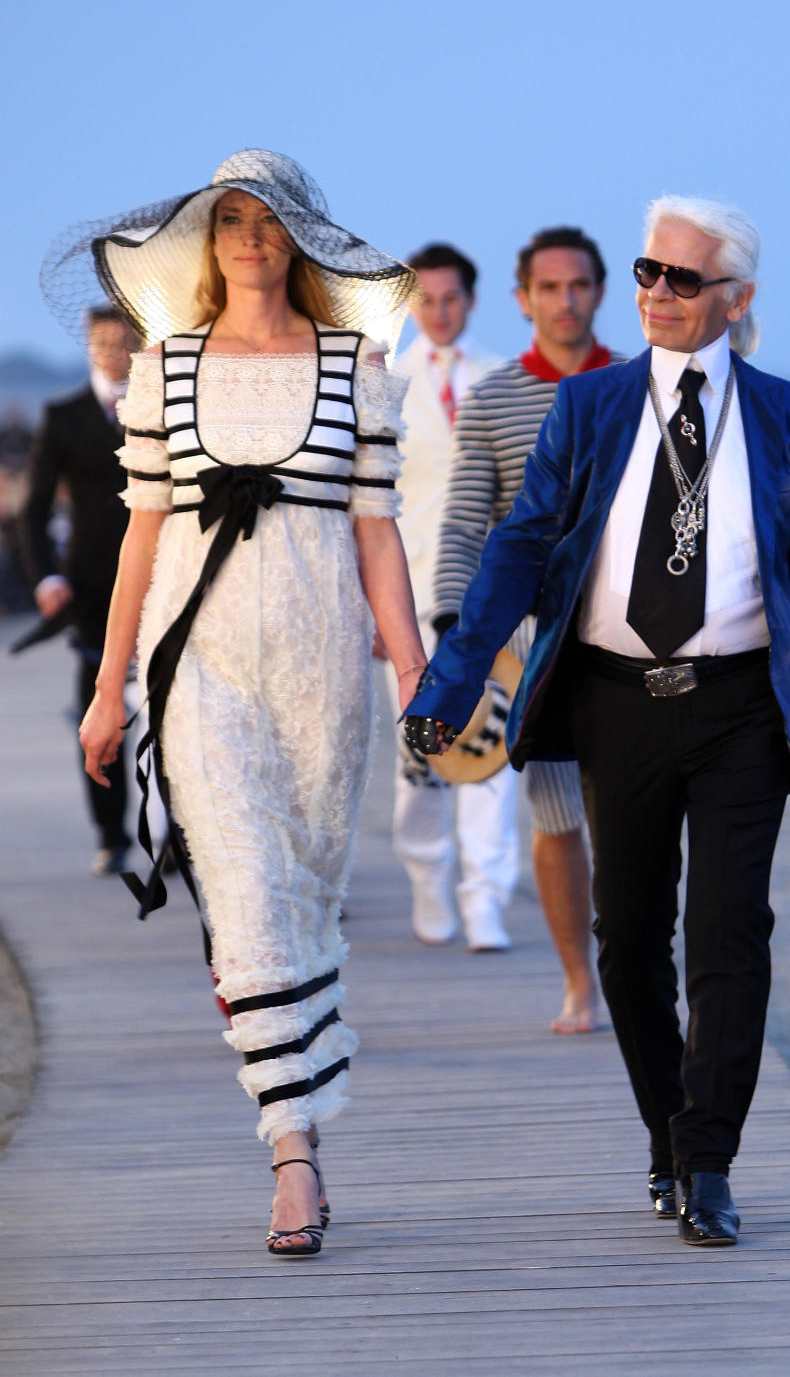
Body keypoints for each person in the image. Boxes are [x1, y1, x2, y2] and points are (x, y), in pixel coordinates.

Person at [405, 196, 790, 1247]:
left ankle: (709, 1158)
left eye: (682, 279)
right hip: (614, 701)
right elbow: (519, 542)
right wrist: (451, 680)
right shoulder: (593, 406)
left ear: (736, 299)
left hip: (739, 704)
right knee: (627, 939)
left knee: (729, 930)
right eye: (648, 271)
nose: (655, 292)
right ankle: (666, 1131)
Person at [48, 150, 424, 1259]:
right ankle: (294, 1153)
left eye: (269, 219)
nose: (250, 236)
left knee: (305, 894)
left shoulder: (359, 365)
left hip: (320, 662)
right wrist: (112, 687)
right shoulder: (166, 365)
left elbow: (378, 534)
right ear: (207, 242)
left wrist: (415, 670)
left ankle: (301, 1108)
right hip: (195, 657)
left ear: (301, 236)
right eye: (230, 220)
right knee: (249, 898)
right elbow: (140, 534)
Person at [431, 226, 622, 1032]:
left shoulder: (639, 383)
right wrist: (451, 624)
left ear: (600, 291)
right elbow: (466, 518)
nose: (565, 300)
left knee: (633, 818)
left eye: (578, 285)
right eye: (548, 287)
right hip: (537, 643)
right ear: (523, 300)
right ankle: (580, 980)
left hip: (633, 638)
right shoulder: (495, 398)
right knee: (555, 816)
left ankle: (635, 966)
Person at [390, 243, 517, 950]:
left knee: (492, 745)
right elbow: (366, 506)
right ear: (410, 305)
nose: (439, 312)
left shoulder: (502, 379)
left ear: (470, 301)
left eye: (450, 298)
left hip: (489, 596)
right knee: (420, 751)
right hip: (405, 596)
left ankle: (486, 895)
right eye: (426, 299)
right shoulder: (385, 381)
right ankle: (427, 877)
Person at [19, 309, 138, 874]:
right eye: (103, 342)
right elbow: (35, 505)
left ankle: (173, 833)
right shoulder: (62, 415)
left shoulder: (160, 407)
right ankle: (112, 834)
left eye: (124, 341)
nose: (114, 351)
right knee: (100, 705)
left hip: (163, 576)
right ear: (88, 345)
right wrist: (46, 576)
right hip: (90, 586)